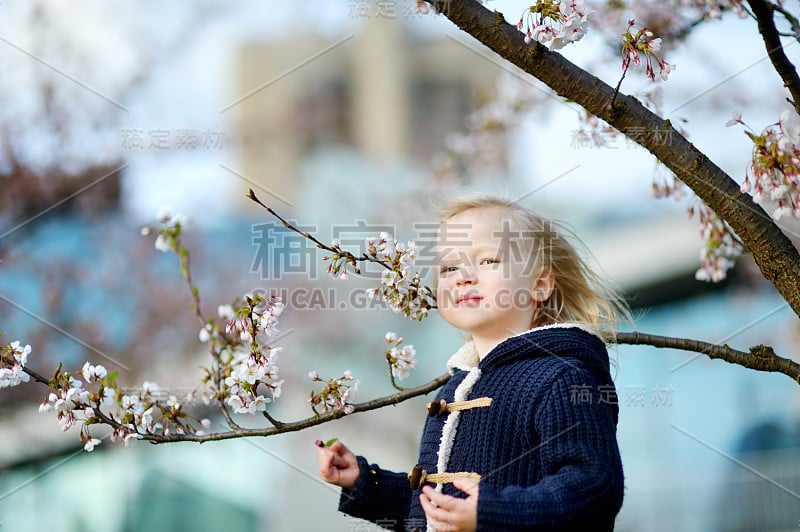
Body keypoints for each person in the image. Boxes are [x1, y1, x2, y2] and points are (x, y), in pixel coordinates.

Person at [316, 196, 629, 531]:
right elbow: (435, 508)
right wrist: (364, 481)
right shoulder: (454, 388)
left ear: (539, 285)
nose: (463, 276)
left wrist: (493, 511)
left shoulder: (563, 376)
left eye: (488, 261)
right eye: (449, 267)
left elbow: (594, 487)